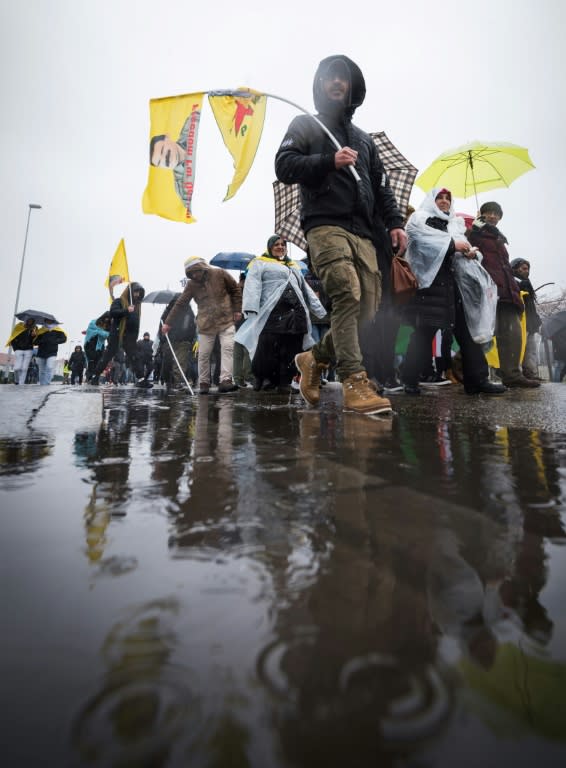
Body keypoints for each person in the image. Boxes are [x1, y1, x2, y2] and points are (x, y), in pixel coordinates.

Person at [275, 54, 406, 415]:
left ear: (352, 87)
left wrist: (394, 222)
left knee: (365, 309)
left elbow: (382, 188)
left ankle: (313, 359)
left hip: (365, 232)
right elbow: (284, 165)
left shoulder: (365, 141)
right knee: (346, 294)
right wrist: (327, 161)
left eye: (343, 78)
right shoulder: (305, 124)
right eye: (329, 77)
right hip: (324, 224)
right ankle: (354, 382)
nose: (336, 82)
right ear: (319, 84)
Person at [402, 188, 506, 396]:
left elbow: (462, 246)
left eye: (447, 198)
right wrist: (452, 244)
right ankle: (410, 378)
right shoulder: (419, 219)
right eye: (439, 198)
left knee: (467, 333)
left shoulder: (455, 223)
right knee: (424, 332)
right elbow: (421, 242)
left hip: (455, 285)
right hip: (430, 285)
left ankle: (477, 380)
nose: (444, 201)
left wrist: (471, 253)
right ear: (431, 200)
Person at [236, 235, 326, 393]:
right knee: (267, 347)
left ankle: (284, 381)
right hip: (272, 311)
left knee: (292, 348)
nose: (280, 247)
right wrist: (251, 306)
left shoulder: (293, 266)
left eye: (283, 244)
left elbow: (305, 289)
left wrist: (318, 309)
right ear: (270, 247)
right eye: (276, 244)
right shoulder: (260, 263)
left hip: (295, 313)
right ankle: (264, 378)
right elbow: (253, 284)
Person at [467, 202, 539, 388]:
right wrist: (474, 230)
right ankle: (460, 368)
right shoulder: (475, 233)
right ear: (481, 214)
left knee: (513, 334)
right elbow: (470, 253)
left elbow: (504, 267)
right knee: (484, 334)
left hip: (507, 292)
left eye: (496, 213)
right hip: (488, 291)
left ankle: (512, 375)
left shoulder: (499, 238)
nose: (492, 216)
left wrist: (514, 289)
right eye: (488, 213)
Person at [161, 257, 242, 394]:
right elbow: (180, 303)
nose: (195, 275)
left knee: (227, 348)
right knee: (204, 354)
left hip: (226, 319)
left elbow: (235, 289)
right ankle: (204, 383)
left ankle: (226, 380)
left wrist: (237, 309)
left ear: (202, 267)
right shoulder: (191, 285)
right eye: (191, 273)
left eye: (196, 271)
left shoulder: (220, 274)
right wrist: (168, 323)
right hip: (206, 324)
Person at [90, 283, 150, 388]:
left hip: (130, 337)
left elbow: (135, 322)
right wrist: (126, 310)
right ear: (130, 292)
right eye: (135, 292)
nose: (137, 295)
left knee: (135, 357)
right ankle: (95, 376)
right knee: (107, 356)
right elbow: (113, 312)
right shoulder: (119, 301)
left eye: (139, 293)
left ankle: (141, 379)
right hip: (117, 334)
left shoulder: (137, 306)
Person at [510, 258, 543, 381]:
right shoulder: (513, 282)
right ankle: (518, 375)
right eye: (523, 268)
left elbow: (530, 305)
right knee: (518, 350)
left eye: (527, 268)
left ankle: (531, 374)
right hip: (519, 322)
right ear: (514, 268)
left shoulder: (526, 282)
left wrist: (535, 318)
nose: (526, 271)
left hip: (530, 322)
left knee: (531, 350)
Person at [158, 293, 197, 390]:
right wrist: (163, 338)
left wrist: (190, 339)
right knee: (167, 361)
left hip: (183, 341)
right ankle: (167, 380)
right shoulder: (168, 310)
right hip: (169, 340)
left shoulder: (188, 311)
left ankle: (178, 381)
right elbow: (161, 325)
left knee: (180, 362)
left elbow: (192, 325)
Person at [5, 317, 37, 385]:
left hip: (29, 350)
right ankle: (17, 380)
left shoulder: (35, 328)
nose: (30, 322)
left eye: (32, 321)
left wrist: (34, 336)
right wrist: (15, 349)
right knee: (17, 368)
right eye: (29, 320)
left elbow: (36, 341)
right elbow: (13, 338)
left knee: (24, 368)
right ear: (26, 320)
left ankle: (21, 383)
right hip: (19, 349)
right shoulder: (19, 326)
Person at [84, 313, 110, 381]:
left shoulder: (108, 325)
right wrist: (101, 332)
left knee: (98, 362)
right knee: (91, 361)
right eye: (106, 318)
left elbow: (107, 334)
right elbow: (93, 329)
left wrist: (99, 331)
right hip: (90, 344)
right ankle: (89, 377)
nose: (107, 320)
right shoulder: (94, 322)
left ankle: (94, 378)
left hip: (100, 346)